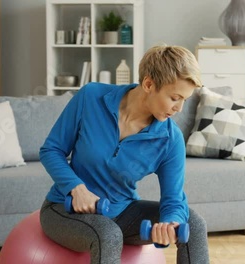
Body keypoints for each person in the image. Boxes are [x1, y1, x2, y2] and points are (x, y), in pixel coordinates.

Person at [39, 45, 210, 264]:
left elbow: (174, 199)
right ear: (149, 84)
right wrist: (76, 189)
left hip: (122, 212)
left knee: (193, 224)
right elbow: (52, 150)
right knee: (107, 234)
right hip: (63, 209)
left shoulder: (170, 139)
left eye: (185, 100)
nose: (179, 109)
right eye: (175, 97)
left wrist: (171, 223)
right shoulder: (91, 98)